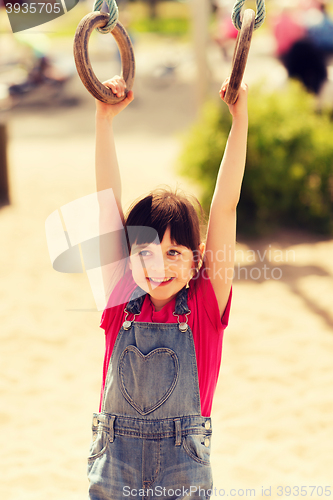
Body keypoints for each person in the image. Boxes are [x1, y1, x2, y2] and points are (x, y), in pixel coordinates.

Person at [88, 76, 248, 499]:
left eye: (174, 252)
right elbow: (106, 203)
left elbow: (225, 205)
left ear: (198, 260)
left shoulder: (205, 303)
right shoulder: (120, 295)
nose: (158, 265)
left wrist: (239, 119)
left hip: (183, 471)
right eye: (145, 251)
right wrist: (104, 120)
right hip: (114, 464)